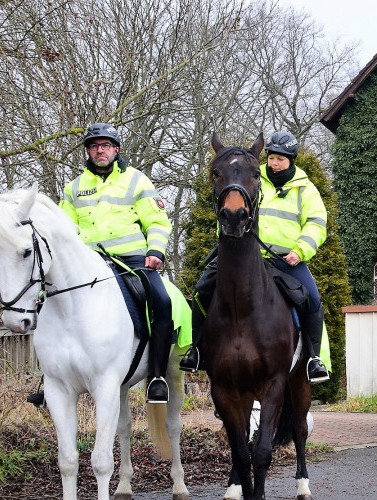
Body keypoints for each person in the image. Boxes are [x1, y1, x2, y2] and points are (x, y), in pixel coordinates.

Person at [180, 130, 330, 383]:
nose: (274, 162)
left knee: (313, 299)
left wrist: (300, 251)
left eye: (280, 158)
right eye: (271, 157)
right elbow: (229, 209)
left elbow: (316, 224)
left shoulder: (305, 189)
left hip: (285, 259)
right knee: (201, 289)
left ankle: (314, 359)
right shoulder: (250, 177)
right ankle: (195, 350)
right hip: (245, 256)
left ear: (291, 160)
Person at [59, 123, 174, 403]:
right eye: (94, 146)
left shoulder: (137, 180)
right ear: (87, 151)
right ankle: (51, 376)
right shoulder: (73, 189)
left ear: (116, 149)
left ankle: (157, 377)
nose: (100, 150)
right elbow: (64, 230)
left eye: (106, 145)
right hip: (89, 263)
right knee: (51, 301)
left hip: (132, 259)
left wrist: (156, 251)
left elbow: (158, 222)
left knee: (162, 302)